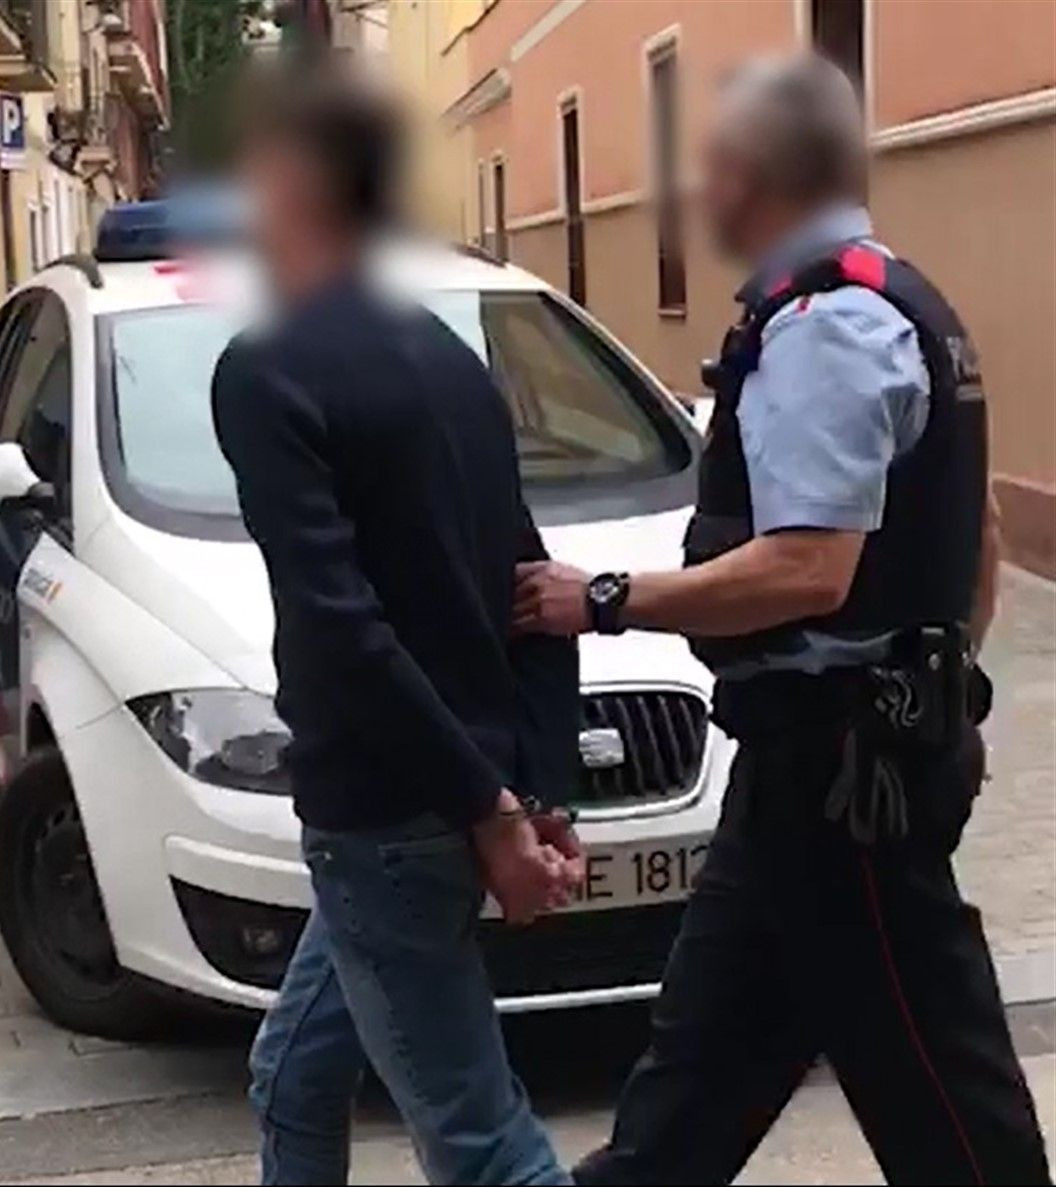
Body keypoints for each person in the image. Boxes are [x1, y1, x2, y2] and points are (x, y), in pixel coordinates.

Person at [513, 53, 1048, 1184]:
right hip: (820, 767)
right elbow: (982, 536)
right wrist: (942, 687)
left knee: (949, 1102)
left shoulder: (824, 326)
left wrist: (603, 600)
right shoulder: (902, 293)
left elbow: (809, 568)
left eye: (709, 169)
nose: (698, 196)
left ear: (758, 172)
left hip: (843, 784)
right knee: (695, 1083)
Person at [211, 67, 586, 1186]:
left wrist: (496, 812)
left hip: (387, 810)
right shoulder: (447, 356)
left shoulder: (267, 370)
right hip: (447, 797)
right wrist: (540, 784)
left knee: (479, 1137)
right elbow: (534, 587)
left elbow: (342, 631)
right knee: (294, 1072)